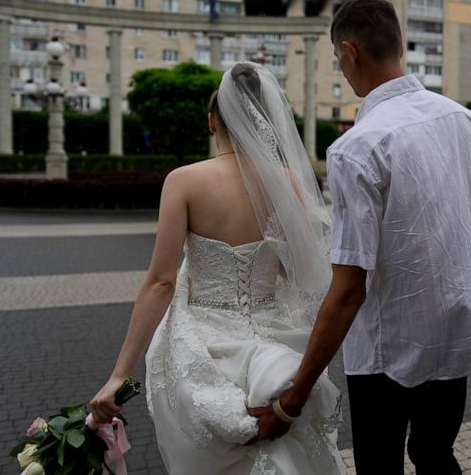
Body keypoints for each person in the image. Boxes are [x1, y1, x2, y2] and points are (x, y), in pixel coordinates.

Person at [249, 0, 471, 474]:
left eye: (338, 59)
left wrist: (294, 398)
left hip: (388, 352)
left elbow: (348, 291)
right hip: (453, 331)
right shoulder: (465, 122)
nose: (341, 69)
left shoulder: (356, 149)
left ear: (351, 51)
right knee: (434, 453)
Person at [89, 62, 345, 475]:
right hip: (274, 347)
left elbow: (160, 283)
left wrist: (120, 375)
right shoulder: (288, 183)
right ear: (266, 119)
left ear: (213, 121)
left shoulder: (184, 181)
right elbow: (299, 275)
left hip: (204, 343)